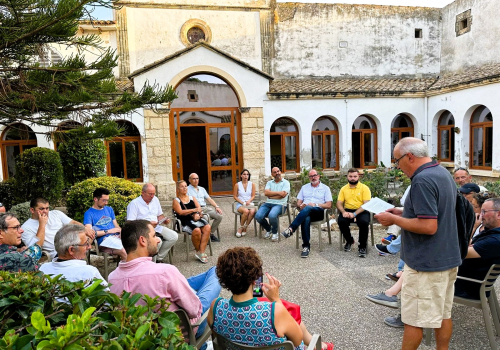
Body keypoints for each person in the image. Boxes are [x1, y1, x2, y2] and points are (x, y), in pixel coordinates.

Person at [375, 137, 461, 350]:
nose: (397, 167)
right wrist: (402, 212)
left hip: (426, 263)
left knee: (413, 320)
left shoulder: (422, 180)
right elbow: (436, 212)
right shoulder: (441, 173)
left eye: (397, 161)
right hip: (447, 257)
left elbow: (428, 226)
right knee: (443, 314)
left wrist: (393, 220)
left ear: (409, 157)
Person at [109, 220, 221, 338]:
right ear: (142, 240)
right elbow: (194, 311)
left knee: (180, 282)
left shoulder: (112, 279)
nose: (158, 240)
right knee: (215, 271)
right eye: (154, 236)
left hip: (142, 338)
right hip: (182, 333)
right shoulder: (164, 272)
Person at [208, 247, 334, 350]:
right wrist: (276, 300)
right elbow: (297, 340)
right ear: (254, 280)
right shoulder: (274, 311)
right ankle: (320, 346)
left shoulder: (216, 307)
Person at [281, 169, 332, 258]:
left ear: (319, 176)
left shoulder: (325, 188)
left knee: (309, 207)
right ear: (309, 178)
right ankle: (306, 247)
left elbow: (329, 205)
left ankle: (291, 229)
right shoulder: (304, 187)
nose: (313, 178)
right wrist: (301, 205)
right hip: (306, 212)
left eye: (315, 175)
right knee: (306, 218)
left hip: (319, 212)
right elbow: (298, 202)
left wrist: (314, 204)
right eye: (311, 176)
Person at [21, 197, 94, 259]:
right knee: (79, 249)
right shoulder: (26, 227)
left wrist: (85, 229)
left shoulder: (56, 214)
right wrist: (42, 225)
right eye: (41, 209)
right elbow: (36, 248)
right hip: (57, 253)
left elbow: (74, 223)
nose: (45, 211)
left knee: (89, 235)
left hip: (71, 244)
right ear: (32, 210)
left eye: (47, 208)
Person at [40, 224, 107, 288]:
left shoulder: (43, 269)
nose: (89, 247)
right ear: (71, 250)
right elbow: (108, 298)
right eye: (86, 243)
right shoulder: (89, 272)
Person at [126, 183, 178, 263]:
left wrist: (164, 220)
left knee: (173, 236)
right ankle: (151, 263)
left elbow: (159, 215)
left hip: (156, 227)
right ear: (143, 193)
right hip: (142, 230)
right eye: (150, 194)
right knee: (158, 241)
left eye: (154, 194)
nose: (152, 196)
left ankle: (158, 258)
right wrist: (148, 223)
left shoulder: (155, 200)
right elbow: (130, 223)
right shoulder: (134, 204)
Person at [336, 168, 372, 257]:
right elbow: (339, 203)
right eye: (350, 176)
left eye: (355, 176)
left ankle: (362, 246)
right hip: (347, 210)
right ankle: (349, 240)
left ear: (358, 176)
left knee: (363, 222)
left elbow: (366, 204)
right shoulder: (344, 189)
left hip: (361, 210)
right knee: (341, 221)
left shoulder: (364, 188)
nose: (353, 178)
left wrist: (355, 214)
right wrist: (344, 212)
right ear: (347, 177)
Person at [173, 180, 211, 263]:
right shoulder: (176, 201)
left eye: (186, 186)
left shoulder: (192, 198)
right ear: (178, 189)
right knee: (197, 230)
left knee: (207, 227)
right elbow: (180, 212)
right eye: (182, 186)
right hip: (183, 221)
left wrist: (199, 214)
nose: (185, 188)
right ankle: (198, 251)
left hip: (195, 219)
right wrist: (193, 210)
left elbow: (199, 209)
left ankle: (201, 252)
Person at [84, 188, 126, 260]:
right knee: (124, 251)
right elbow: (90, 233)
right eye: (104, 200)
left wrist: (123, 231)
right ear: (95, 199)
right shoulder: (89, 213)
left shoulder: (109, 209)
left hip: (116, 236)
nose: (106, 203)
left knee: (134, 248)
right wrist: (109, 231)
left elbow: (116, 226)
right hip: (104, 240)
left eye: (107, 200)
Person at [255, 167, 290, 242]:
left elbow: (283, 195)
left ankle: (275, 232)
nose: (277, 173)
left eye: (278, 171)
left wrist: (272, 196)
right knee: (258, 216)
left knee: (272, 215)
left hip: (281, 205)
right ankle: (269, 229)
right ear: (272, 174)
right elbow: (266, 193)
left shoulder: (286, 183)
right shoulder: (269, 183)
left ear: (280, 172)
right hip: (268, 203)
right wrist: (278, 193)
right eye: (275, 172)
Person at [188, 173, 223, 242]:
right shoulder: (187, 190)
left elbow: (209, 199)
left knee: (219, 216)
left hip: (205, 208)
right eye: (194, 179)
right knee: (206, 218)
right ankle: (205, 236)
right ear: (189, 180)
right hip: (196, 210)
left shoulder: (202, 189)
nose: (196, 180)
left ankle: (209, 234)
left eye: (197, 178)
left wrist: (216, 206)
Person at [232, 168, 256, 238]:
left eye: (247, 174)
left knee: (252, 211)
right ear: (241, 176)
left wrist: (249, 201)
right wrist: (242, 202)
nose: (246, 176)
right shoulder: (237, 185)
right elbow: (235, 196)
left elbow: (253, 195)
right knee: (246, 211)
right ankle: (241, 228)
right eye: (244, 174)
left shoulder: (252, 184)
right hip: (241, 204)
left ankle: (245, 227)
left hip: (249, 203)